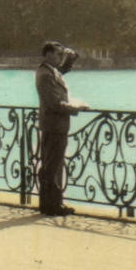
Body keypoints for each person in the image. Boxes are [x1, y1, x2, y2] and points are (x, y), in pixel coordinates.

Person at [35, 41, 86, 217]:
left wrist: (71, 58)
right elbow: (55, 103)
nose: (60, 58)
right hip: (54, 125)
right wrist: (76, 108)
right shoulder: (45, 74)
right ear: (48, 54)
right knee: (52, 167)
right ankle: (52, 206)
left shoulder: (49, 71)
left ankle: (50, 204)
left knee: (53, 166)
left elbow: (62, 71)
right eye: (58, 54)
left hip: (54, 125)